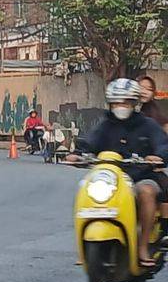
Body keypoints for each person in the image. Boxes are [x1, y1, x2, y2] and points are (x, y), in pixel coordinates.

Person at [66, 79, 168, 267]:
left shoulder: (147, 125)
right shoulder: (105, 125)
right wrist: (77, 154)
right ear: (110, 104)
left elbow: (163, 144)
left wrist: (158, 156)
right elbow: (89, 141)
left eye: (126, 102)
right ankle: (83, 247)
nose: (121, 106)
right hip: (109, 178)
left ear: (134, 103)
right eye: (117, 102)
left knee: (147, 192)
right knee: (83, 189)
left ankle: (143, 247)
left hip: (140, 176)